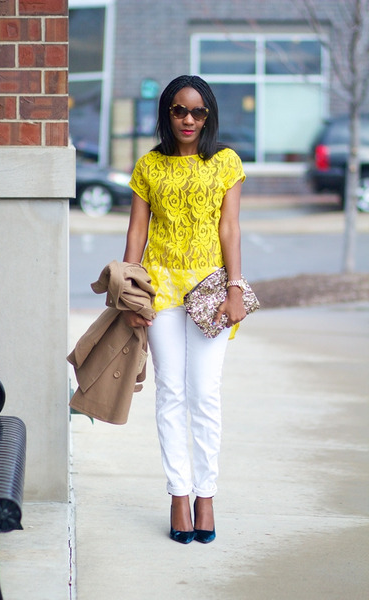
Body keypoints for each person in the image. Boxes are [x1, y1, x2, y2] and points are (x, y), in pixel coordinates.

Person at [123, 74, 246, 544]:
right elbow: (136, 233)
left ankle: (206, 494)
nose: (188, 119)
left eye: (197, 111)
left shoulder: (226, 163)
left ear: (208, 114)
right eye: (179, 110)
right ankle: (178, 493)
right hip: (161, 293)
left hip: (212, 291)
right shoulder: (149, 166)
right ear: (167, 114)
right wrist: (129, 293)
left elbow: (230, 228)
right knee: (171, 393)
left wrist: (235, 287)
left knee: (205, 394)